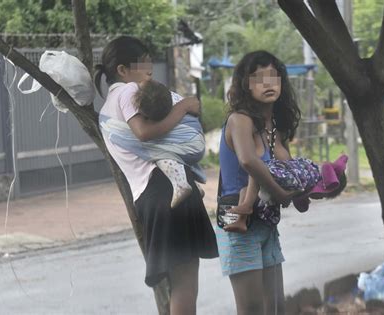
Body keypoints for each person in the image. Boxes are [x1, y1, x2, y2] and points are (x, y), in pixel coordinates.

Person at [96, 35, 218, 315]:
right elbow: (145, 132)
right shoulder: (128, 92)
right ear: (123, 70)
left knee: (179, 283)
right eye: (142, 62)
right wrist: (184, 107)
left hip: (152, 198)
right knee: (186, 284)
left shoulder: (106, 111)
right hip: (169, 190)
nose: (149, 67)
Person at [216, 50, 301, 315]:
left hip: (266, 222)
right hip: (234, 219)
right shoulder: (238, 119)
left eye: (273, 77)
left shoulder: (275, 128)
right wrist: (281, 193)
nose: (267, 84)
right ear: (245, 84)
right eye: (258, 78)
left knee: (275, 307)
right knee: (252, 310)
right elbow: (248, 161)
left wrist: (314, 187)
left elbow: (289, 171)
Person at [102, 78, 206, 208]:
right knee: (174, 152)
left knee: (160, 155)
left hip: (189, 145)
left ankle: (181, 184)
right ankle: (195, 184)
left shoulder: (160, 115)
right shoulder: (174, 99)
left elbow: (144, 134)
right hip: (197, 144)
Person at [225, 154, 349, 233]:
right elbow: (296, 190)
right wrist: (284, 195)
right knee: (256, 170)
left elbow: (301, 203)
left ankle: (241, 220)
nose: (319, 197)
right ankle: (246, 206)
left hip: (282, 175)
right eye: (323, 195)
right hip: (284, 175)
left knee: (246, 188)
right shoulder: (313, 175)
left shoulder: (312, 175)